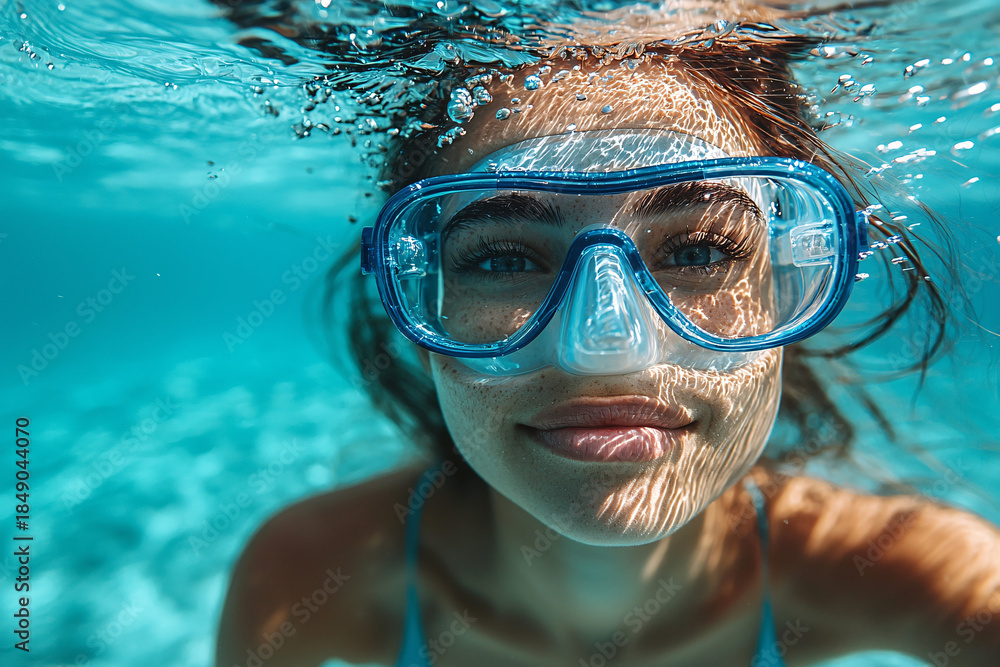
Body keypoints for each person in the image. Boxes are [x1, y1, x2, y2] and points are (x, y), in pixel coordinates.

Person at [216, 30, 1000, 667]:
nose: (608, 352)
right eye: (503, 259)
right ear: (421, 304)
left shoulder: (918, 574)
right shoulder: (307, 575)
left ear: (789, 286)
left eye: (697, 250)